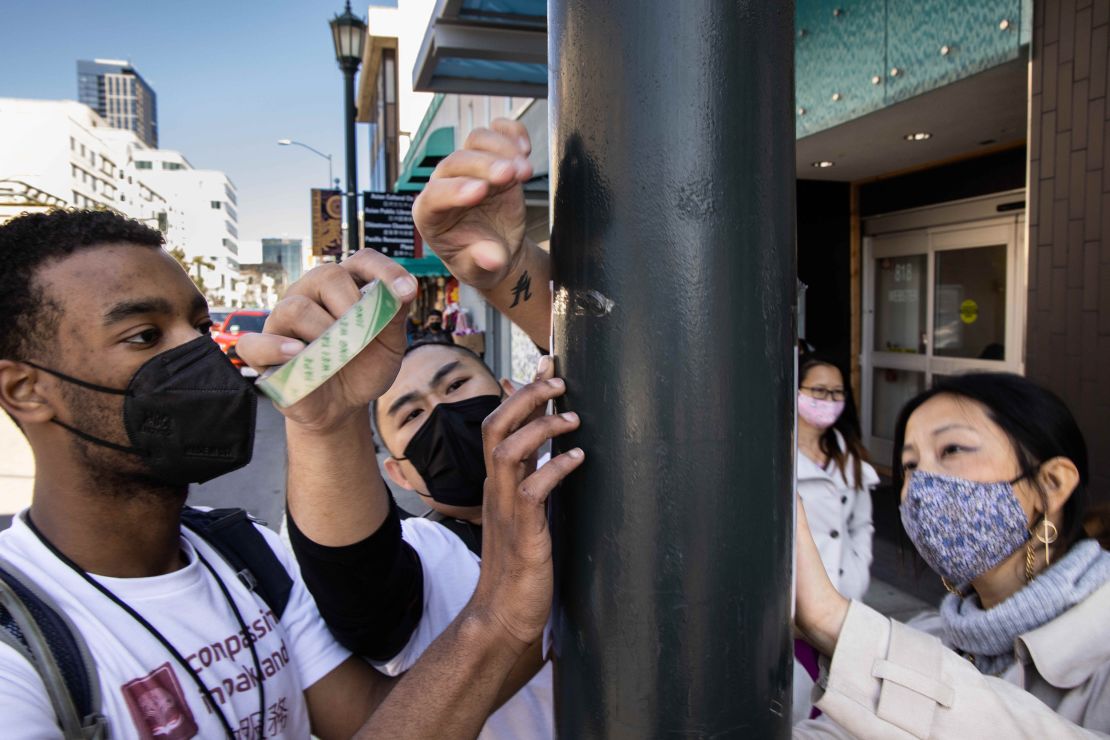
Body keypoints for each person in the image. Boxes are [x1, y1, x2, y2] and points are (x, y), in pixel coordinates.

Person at [0, 209, 582, 739]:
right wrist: (498, 618)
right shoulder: (17, 643)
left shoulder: (243, 555)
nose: (200, 357)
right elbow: (358, 569)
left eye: (200, 329)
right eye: (145, 336)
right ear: (24, 390)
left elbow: (378, 723)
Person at [793, 372, 1110, 736]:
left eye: (952, 450)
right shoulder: (928, 635)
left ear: (1051, 483)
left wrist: (836, 625)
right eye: (910, 465)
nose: (921, 486)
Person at [792, 356, 876, 722]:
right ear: (796, 391)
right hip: (794, 606)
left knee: (838, 699)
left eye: (837, 393)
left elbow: (861, 524)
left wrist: (858, 572)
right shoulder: (778, 452)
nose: (828, 401)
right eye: (818, 391)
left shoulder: (849, 455)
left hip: (844, 597)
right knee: (798, 697)